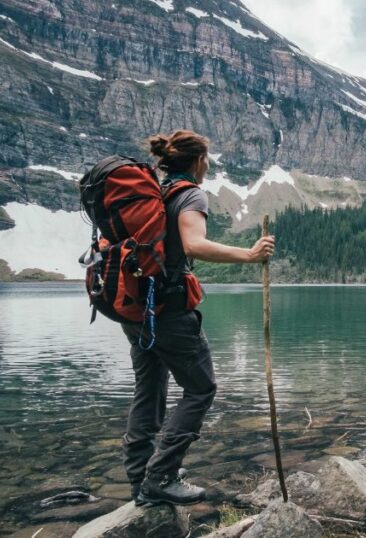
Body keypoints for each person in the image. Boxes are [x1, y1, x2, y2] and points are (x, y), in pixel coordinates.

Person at [123, 130, 275, 505]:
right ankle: (160, 476)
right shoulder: (190, 193)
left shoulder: (152, 193)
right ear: (197, 161)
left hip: (136, 308)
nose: (208, 165)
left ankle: (141, 475)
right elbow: (193, 244)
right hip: (171, 312)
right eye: (206, 159)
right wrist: (250, 255)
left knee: (149, 390)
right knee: (201, 388)